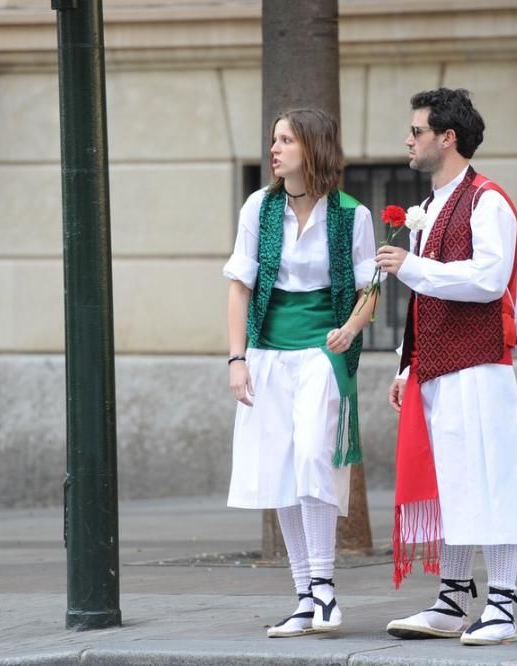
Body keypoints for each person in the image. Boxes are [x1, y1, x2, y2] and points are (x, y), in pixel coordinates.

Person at [374, 88, 517, 646]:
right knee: (451, 483)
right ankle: (452, 598)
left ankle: (503, 604)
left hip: (480, 362)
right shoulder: (432, 208)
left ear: (448, 138)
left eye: (416, 131)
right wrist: (404, 365)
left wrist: (414, 267)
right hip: (437, 366)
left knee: (492, 477)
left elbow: (490, 279)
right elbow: (424, 301)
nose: (408, 140)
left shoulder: (488, 200)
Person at [222, 107, 379, 638]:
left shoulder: (350, 214)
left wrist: (351, 330)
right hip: (267, 351)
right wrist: (237, 358)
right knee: (280, 466)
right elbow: (239, 285)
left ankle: (325, 585)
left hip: (323, 350)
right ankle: (305, 597)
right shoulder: (258, 208)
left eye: (285, 139)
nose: (274, 149)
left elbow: (369, 291)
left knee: (314, 452)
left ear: (311, 148)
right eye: (273, 140)